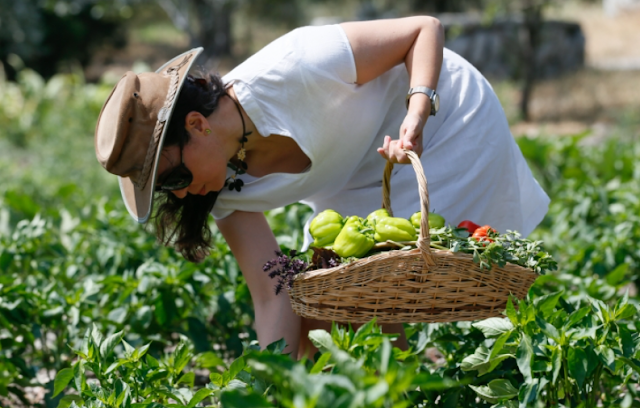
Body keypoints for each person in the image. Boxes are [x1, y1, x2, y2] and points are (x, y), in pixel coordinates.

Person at [94, 16, 550, 359]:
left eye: (171, 177)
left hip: (442, 120)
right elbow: (271, 291)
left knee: (363, 300)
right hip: (355, 168)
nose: (176, 195)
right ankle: (390, 389)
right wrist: (272, 382)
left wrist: (417, 113)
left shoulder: (295, 65)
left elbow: (424, 30)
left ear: (197, 125)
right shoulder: (217, 187)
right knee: (324, 307)